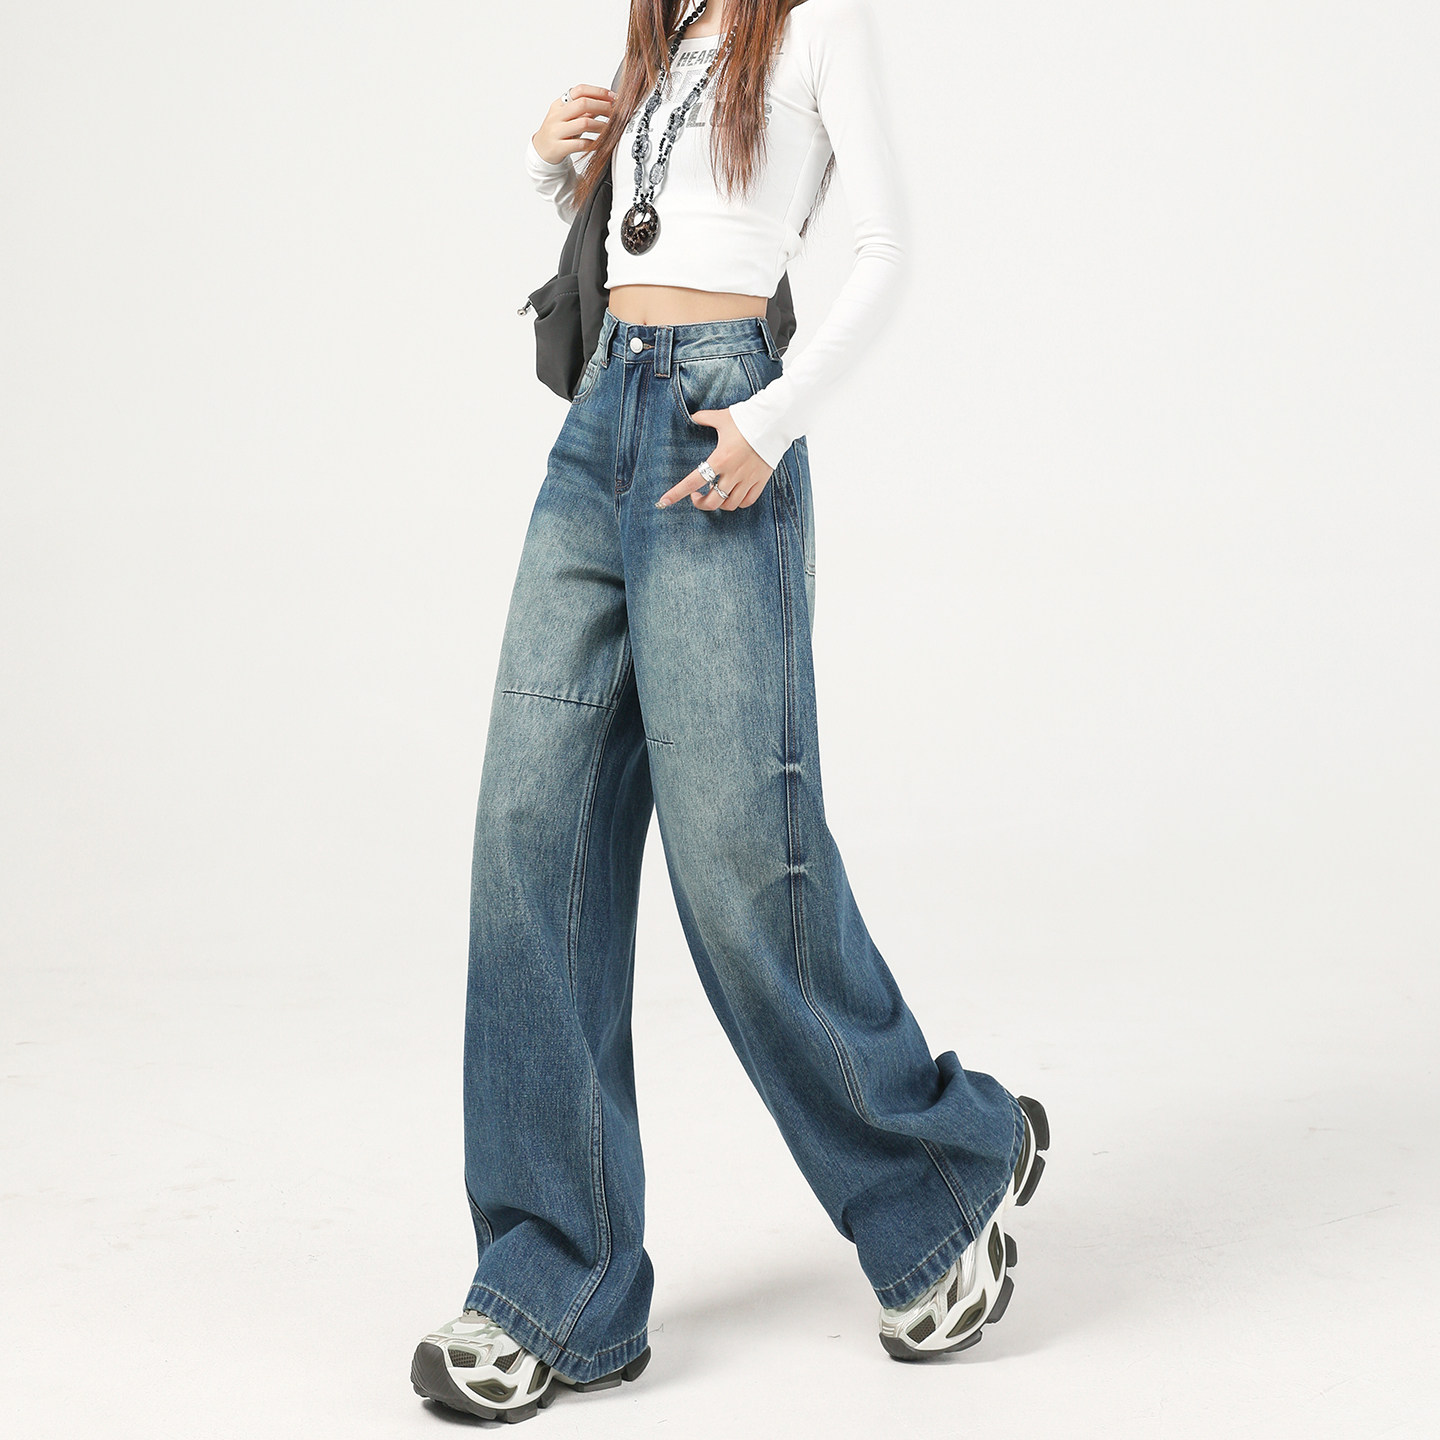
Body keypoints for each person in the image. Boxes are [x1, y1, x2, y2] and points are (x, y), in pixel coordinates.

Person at [410, 0, 1050, 1422]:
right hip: (598, 426)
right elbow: (646, 231)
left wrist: (773, 418)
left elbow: (885, 250)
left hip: (719, 423)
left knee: (739, 859)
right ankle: (555, 1284)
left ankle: (944, 1174)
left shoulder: (815, 25)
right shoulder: (663, 30)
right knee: (528, 832)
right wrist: (552, 164)